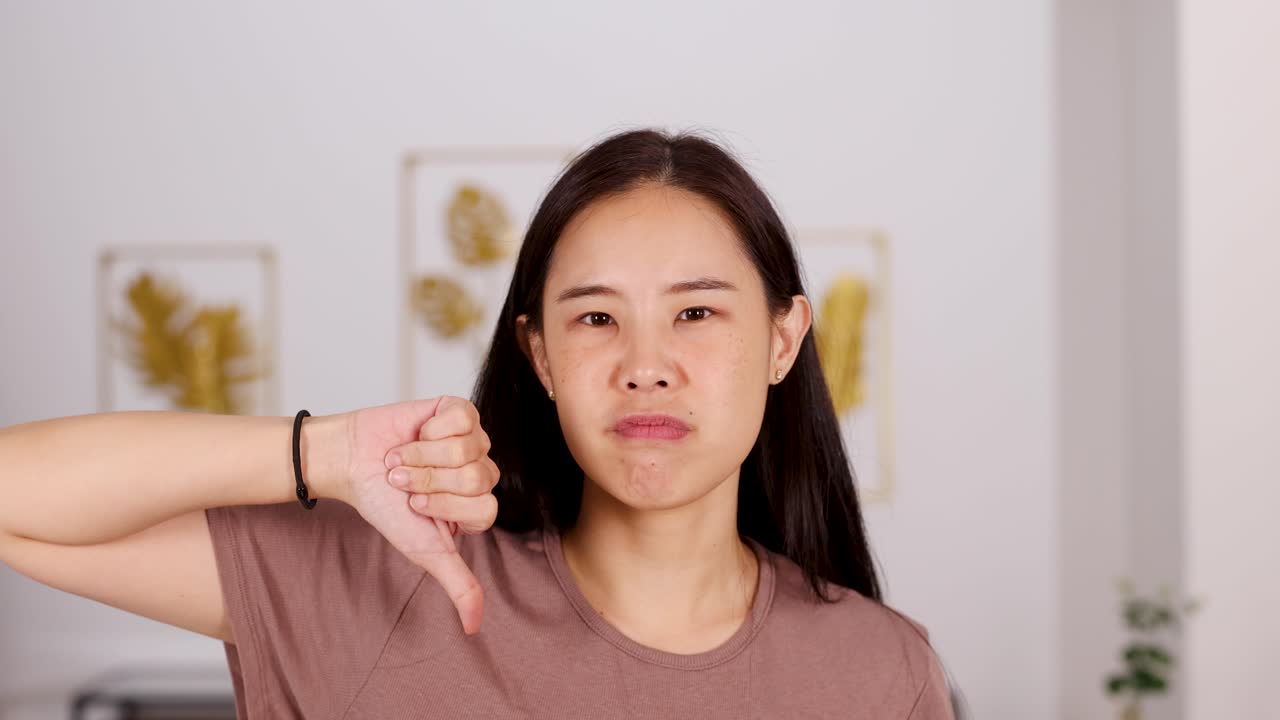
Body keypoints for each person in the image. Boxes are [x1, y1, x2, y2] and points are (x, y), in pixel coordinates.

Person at [0, 129, 955, 718]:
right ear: (540, 356)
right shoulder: (389, 588)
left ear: (786, 339)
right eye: (595, 318)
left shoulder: (880, 673)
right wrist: (322, 451)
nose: (646, 364)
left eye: (697, 312)